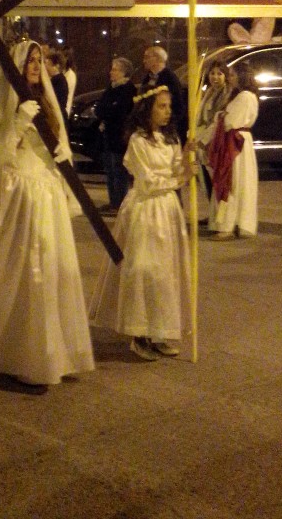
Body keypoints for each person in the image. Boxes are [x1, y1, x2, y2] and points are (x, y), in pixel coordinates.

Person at [0, 40, 95, 393]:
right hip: (19, 194)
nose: (35, 66)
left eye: (38, 60)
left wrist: (61, 155)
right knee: (19, 270)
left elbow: (58, 142)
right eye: (30, 61)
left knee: (50, 270)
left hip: (46, 192)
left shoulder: (46, 100)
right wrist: (18, 124)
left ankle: (48, 354)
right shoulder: (8, 102)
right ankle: (10, 351)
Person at [89, 85, 192, 361]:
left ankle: (160, 330)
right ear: (147, 109)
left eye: (169, 106)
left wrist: (187, 160)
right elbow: (147, 182)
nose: (167, 112)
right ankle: (140, 332)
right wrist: (178, 180)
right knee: (145, 269)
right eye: (161, 106)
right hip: (145, 209)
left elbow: (177, 169)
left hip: (167, 209)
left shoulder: (170, 138)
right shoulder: (138, 141)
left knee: (166, 272)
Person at [207, 62, 260, 239]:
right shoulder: (244, 96)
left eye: (233, 75)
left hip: (235, 144)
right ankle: (234, 222)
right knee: (237, 182)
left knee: (231, 182)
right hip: (237, 142)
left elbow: (230, 121)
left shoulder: (245, 97)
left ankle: (227, 225)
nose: (230, 78)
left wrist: (219, 116)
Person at [95, 57, 136, 213]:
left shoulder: (127, 89)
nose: (111, 72)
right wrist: (108, 109)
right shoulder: (111, 88)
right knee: (110, 170)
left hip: (119, 136)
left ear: (124, 72)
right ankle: (113, 201)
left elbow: (119, 112)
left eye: (115, 69)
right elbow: (99, 109)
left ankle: (120, 203)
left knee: (119, 170)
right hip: (108, 135)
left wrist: (108, 110)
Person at [193, 62, 231, 203]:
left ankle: (218, 211)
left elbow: (218, 122)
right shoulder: (209, 92)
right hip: (202, 141)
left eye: (219, 74)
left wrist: (202, 140)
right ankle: (213, 209)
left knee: (216, 181)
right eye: (212, 73)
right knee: (205, 181)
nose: (215, 77)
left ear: (225, 76)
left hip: (213, 142)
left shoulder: (226, 94)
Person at [139, 45, 187, 142]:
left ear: (157, 58)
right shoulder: (148, 78)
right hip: (149, 128)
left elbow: (178, 107)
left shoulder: (170, 79)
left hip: (165, 130)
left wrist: (168, 125)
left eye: (147, 57)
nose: (144, 61)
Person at [44, 46, 69, 128]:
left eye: (47, 64)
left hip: (58, 119)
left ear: (56, 66)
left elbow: (57, 104)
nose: (44, 67)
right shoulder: (58, 80)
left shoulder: (58, 81)